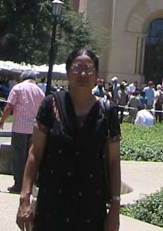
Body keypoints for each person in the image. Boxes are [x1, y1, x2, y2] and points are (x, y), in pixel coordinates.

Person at [17, 48, 121, 231]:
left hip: (91, 208)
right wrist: (24, 197)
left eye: (88, 69)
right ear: (67, 73)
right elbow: (35, 153)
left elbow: (113, 162)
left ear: (97, 75)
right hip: (51, 205)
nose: (82, 74)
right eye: (76, 68)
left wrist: (115, 207)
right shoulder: (50, 105)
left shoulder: (107, 111)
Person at [0, 70, 43, 193]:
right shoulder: (39, 91)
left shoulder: (18, 88)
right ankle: (29, 184)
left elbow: (9, 106)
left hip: (19, 127)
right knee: (30, 157)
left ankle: (18, 184)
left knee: (18, 157)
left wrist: (2, 121)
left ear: (22, 78)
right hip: (33, 129)